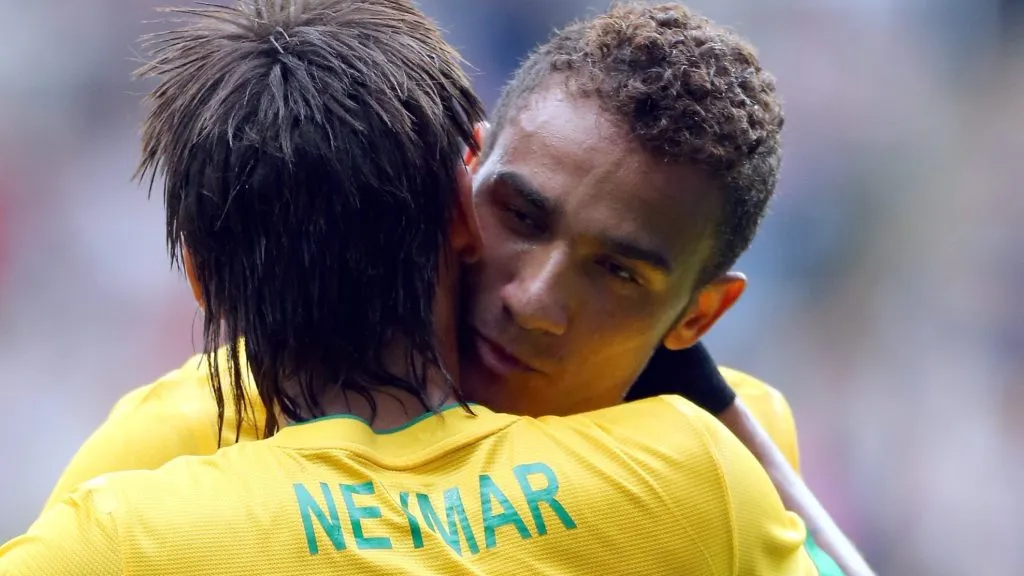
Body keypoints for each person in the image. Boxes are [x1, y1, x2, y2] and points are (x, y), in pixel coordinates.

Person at [0, 1, 832, 574]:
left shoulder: (720, 459)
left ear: (699, 316)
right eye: (523, 215)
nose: (533, 300)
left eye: (618, 271)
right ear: (461, 193)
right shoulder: (711, 469)